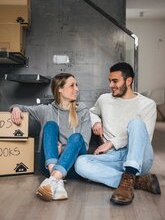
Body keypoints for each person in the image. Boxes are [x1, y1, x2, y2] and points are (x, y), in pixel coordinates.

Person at [75, 62, 161, 205]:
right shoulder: (104, 99)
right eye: (109, 81)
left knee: (137, 123)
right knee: (80, 163)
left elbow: (145, 136)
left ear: (128, 81)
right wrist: (96, 121)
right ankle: (135, 181)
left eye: (115, 81)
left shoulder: (148, 104)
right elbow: (91, 112)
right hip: (114, 157)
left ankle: (131, 174)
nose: (110, 85)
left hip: (139, 157)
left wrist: (111, 143)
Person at [10, 73, 91, 202]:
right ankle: (55, 178)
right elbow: (19, 106)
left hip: (73, 167)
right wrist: (15, 108)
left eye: (76, 85)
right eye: (72, 85)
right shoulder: (46, 110)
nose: (76, 89)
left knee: (77, 137)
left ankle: (53, 180)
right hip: (49, 165)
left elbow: (84, 145)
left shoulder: (82, 111)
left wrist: (61, 151)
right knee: (50, 125)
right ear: (59, 88)